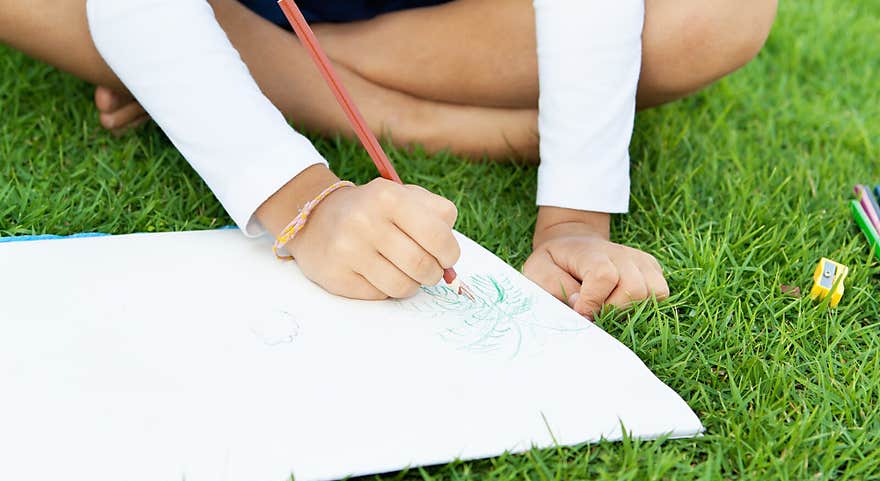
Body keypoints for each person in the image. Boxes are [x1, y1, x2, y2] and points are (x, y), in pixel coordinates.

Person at [0, 0, 777, 318]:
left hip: (435, 21)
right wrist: (304, 199)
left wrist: (575, 216)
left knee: (722, 14)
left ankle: (258, 72)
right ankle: (380, 110)